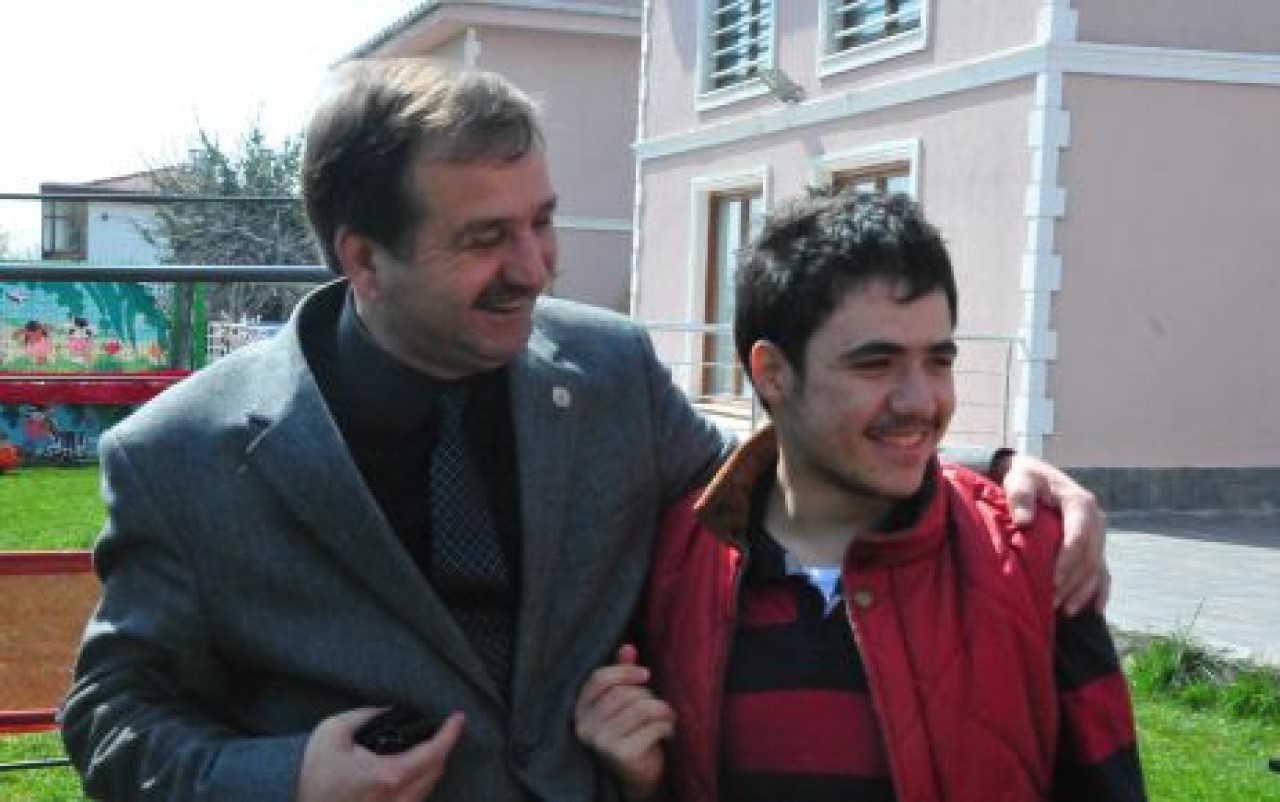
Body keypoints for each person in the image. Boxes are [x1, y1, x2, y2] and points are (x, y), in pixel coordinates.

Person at [61, 60, 1107, 802]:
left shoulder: (608, 372)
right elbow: (111, 717)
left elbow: (775, 483)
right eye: (485, 237)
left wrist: (991, 473)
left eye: (542, 220)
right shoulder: (181, 456)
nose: (534, 266)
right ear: (364, 259)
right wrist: (284, 778)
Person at [575, 192, 1145, 802]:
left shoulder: (1036, 557)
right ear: (772, 373)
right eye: (876, 364)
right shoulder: (675, 563)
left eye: (938, 361)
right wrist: (638, 787)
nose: (920, 401)